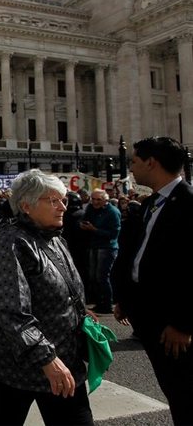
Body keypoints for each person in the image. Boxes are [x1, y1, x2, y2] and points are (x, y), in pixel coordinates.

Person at [0, 169, 94, 426]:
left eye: (63, 200)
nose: (63, 207)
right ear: (26, 206)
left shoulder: (53, 236)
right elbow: (10, 309)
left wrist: (80, 312)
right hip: (19, 366)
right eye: (53, 201)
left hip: (63, 359)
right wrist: (46, 358)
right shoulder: (10, 242)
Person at [113, 136, 193, 425]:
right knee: (173, 390)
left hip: (172, 323)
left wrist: (183, 324)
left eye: (133, 161)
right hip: (148, 315)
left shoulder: (187, 202)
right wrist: (125, 298)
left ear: (151, 162)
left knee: (185, 393)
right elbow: (140, 255)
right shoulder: (151, 203)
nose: (131, 168)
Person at [79, 189, 121, 314]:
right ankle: (99, 302)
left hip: (107, 247)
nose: (95, 202)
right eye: (93, 199)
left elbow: (113, 233)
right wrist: (81, 224)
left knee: (102, 277)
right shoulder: (91, 209)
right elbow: (82, 219)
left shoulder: (113, 212)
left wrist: (94, 230)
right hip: (95, 246)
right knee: (93, 276)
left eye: (98, 199)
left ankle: (107, 304)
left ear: (106, 200)